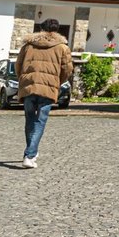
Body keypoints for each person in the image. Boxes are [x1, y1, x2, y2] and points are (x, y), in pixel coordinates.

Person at [15, 19, 73, 168]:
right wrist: (56, 82)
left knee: (29, 119)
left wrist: (24, 79)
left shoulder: (28, 46)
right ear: (57, 30)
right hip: (48, 88)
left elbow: (18, 65)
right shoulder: (62, 48)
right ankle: (30, 155)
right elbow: (67, 70)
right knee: (40, 121)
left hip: (29, 87)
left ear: (41, 28)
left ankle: (31, 152)